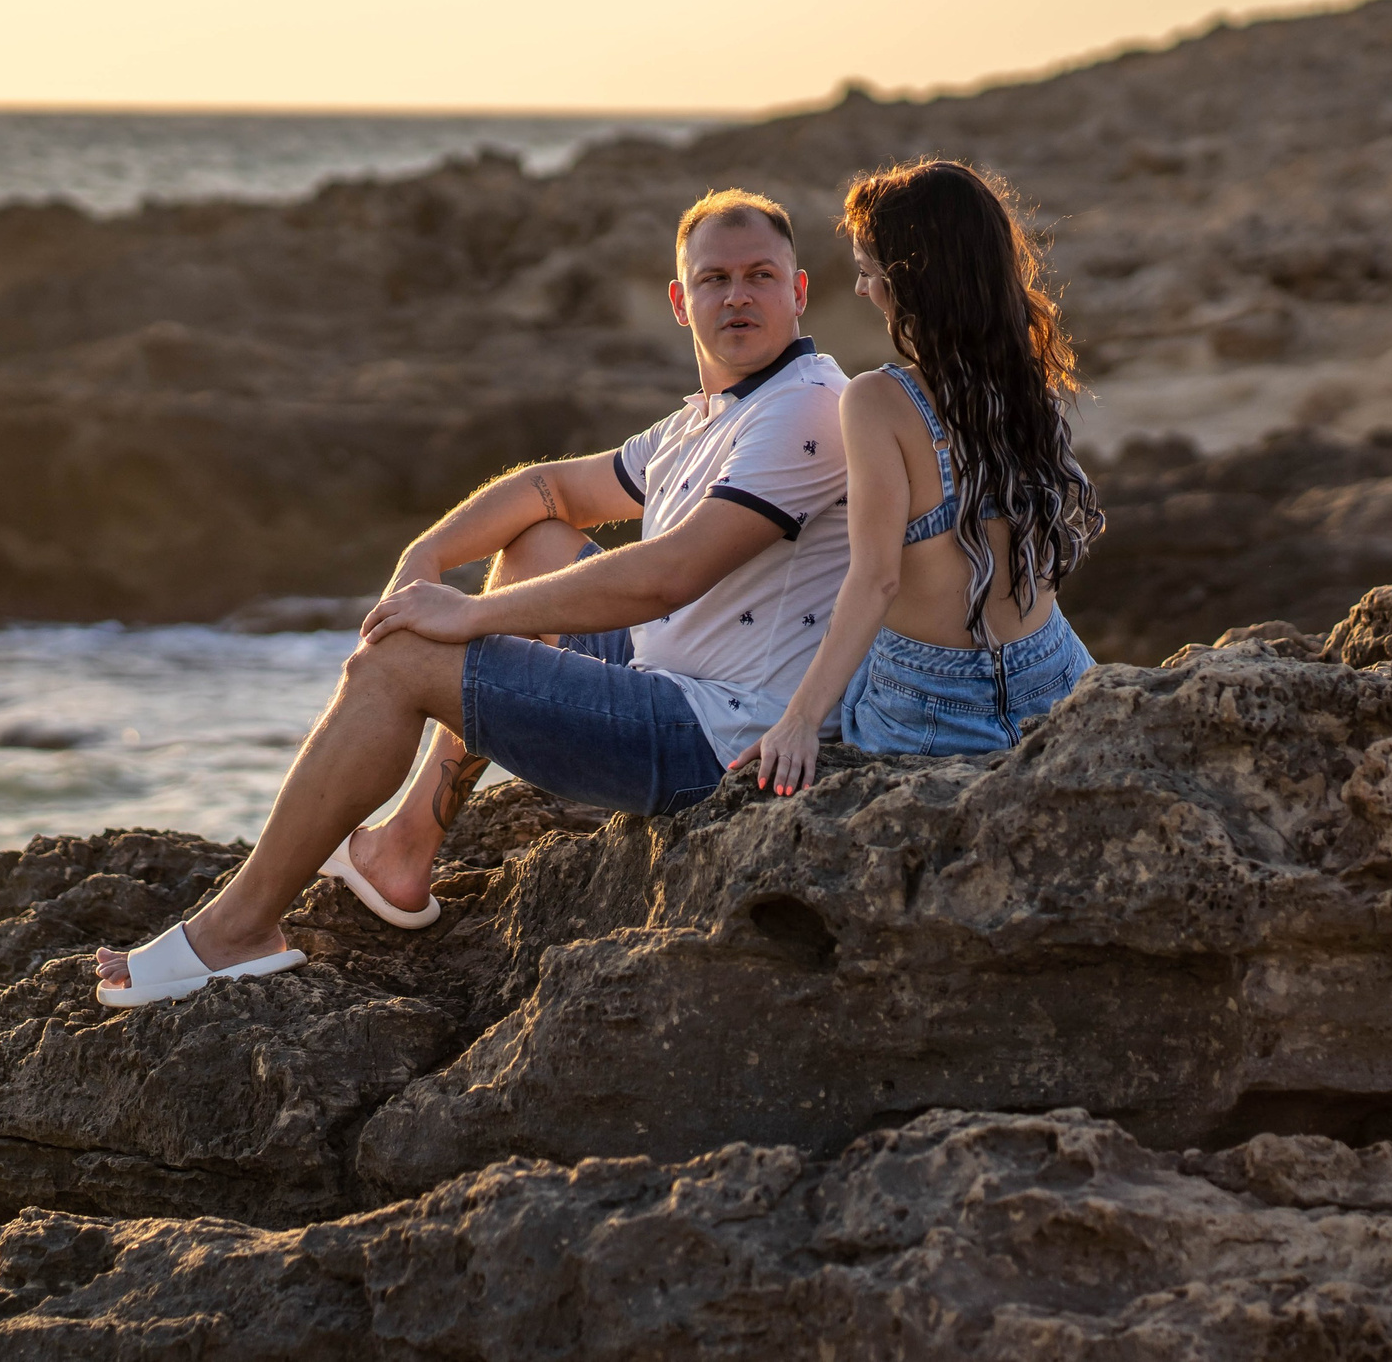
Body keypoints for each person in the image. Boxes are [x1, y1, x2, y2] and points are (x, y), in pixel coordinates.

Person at [95, 190, 850, 1006]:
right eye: (715, 278)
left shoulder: (805, 407)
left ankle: (235, 931)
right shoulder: (705, 418)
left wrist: (466, 616)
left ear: (799, 291)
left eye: (760, 275)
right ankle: (404, 848)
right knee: (534, 546)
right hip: (672, 672)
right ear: (681, 301)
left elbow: (668, 574)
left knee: (402, 664)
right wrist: (423, 557)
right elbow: (551, 490)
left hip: (722, 737)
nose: (737, 295)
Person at [729, 160, 1104, 797]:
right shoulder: (1023, 378)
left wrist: (797, 721)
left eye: (868, 272)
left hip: (931, 704)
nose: (860, 289)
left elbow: (876, 578)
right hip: (1054, 674)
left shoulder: (878, 400)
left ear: (912, 283)